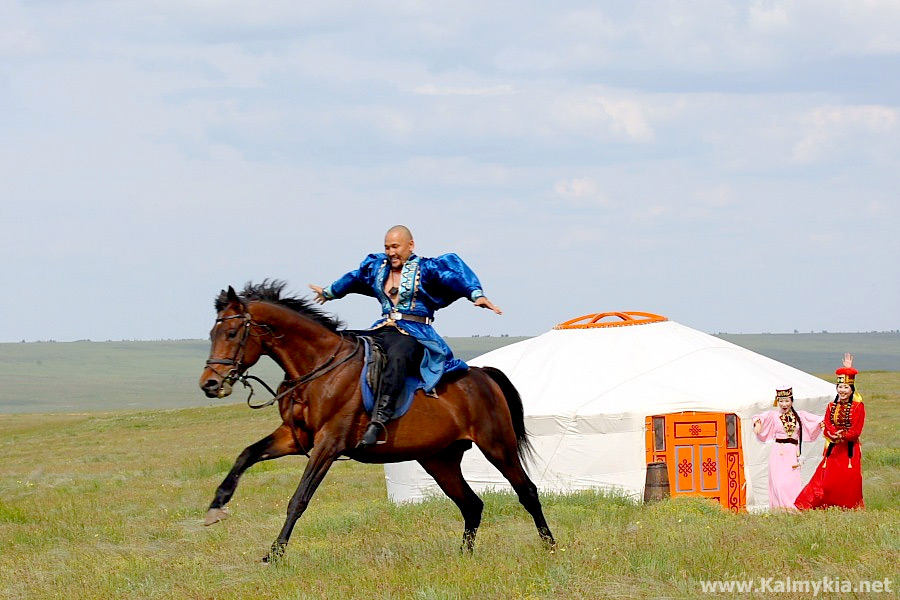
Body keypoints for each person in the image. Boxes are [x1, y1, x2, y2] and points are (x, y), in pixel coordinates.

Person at [309, 225, 502, 448]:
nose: (391, 252)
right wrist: (329, 292)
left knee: (397, 355)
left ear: (410, 246)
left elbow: (455, 276)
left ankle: (380, 420)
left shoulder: (428, 269)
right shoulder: (377, 267)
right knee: (349, 345)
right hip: (382, 328)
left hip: (416, 332)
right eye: (387, 247)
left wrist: (475, 294)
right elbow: (354, 278)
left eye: (395, 246)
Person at [794, 353, 866, 510]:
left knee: (848, 480)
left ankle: (848, 508)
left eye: (846, 387)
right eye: (840, 387)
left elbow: (856, 430)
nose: (842, 390)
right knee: (826, 480)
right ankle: (820, 506)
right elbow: (827, 424)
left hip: (849, 450)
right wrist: (832, 434)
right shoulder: (830, 407)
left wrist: (843, 436)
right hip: (833, 449)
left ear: (852, 389)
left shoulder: (857, 407)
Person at [752, 387, 823, 510]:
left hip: (792, 452)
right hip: (778, 452)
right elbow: (760, 417)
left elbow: (815, 420)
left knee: (791, 482)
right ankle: (780, 508)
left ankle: (793, 507)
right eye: (781, 401)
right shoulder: (773, 415)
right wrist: (758, 423)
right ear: (777, 402)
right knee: (778, 483)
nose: (784, 404)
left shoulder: (799, 416)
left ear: (792, 401)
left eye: (787, 401)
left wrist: (822, 424)